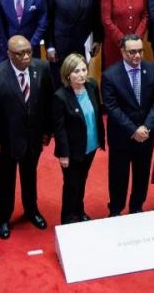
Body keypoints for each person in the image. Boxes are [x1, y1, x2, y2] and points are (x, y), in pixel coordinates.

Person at [0, 36, 54, 239]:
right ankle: (4, 217)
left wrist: (47, 131)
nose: (26, 57)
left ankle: (31, 210)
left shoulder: (42, 68)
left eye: (29, 52)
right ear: (9, 54)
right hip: (6, 141)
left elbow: (48, 101)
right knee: (5, 180)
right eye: (20, 53)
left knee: (30, 175)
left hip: (33, 137)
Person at [103, 34, 154, 215]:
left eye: (140, 51)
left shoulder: (151, 69)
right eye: (132, 52)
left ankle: (137, 206)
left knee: (142, 173)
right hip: (122, 136)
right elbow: (111, 107)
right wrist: (133, 130)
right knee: (118, 176)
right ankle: (116, 209)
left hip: (146, 134)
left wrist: (146, 126)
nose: (137, 56)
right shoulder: (110, 75)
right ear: (122, 51)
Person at [52, 53, 105, 224]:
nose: (82, 74)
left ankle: (79, 211)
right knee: (71, 184)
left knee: (82, 180)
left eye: (84, 70)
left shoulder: (92, 85)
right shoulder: (60, 96)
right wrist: (64, 154)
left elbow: (97, 115)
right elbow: (59, 129)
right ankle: (67, 218)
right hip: (72, 151)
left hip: (90, 145)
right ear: (67, 75)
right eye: (76, 71)